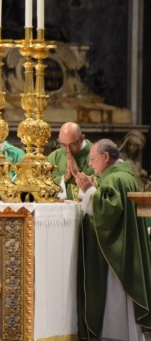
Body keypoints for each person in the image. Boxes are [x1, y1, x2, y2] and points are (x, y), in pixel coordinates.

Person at [73, 139, 151, 340]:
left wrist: (89, 191)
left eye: (92, 159)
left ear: (105, 157)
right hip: (124, 251)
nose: (90, 164)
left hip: (116, 258)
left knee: (114, 306)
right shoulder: (123, 176)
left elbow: (108, 211)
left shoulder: (114, 179)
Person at [46, 122, 93, 201]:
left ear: (81, 138)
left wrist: (78, 174)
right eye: (63, 145)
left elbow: (104, 183)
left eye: (72, 145)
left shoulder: (97, 154)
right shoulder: (54, 157)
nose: (68, 150)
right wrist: (65, 177)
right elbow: (44, 187)